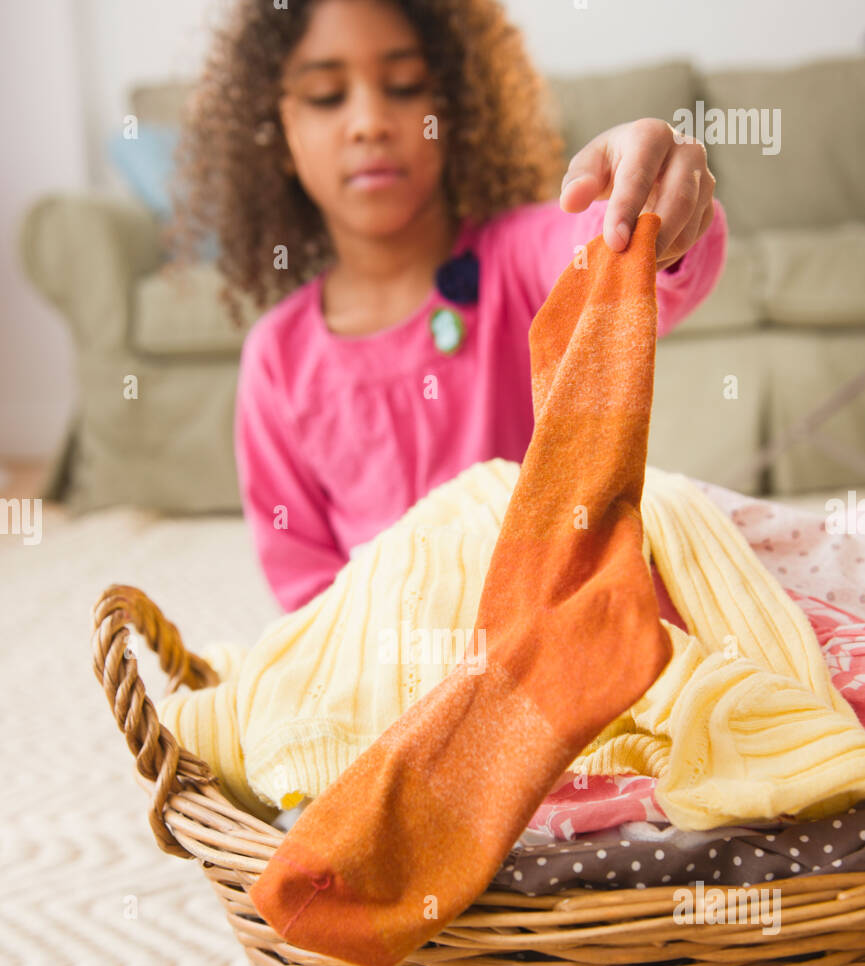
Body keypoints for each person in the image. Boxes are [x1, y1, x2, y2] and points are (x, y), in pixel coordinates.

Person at [170, 0, 727, 613]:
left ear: (453, 108)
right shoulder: (278, 358)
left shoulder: (518, 258)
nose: (369, 122)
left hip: (555, 627)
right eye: (327, 95)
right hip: (382, 662)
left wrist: (649, 203)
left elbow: (607, 253)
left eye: (405, 86)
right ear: (280, 133)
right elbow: (304, 587)